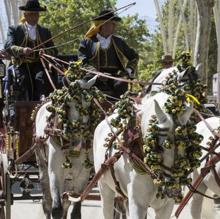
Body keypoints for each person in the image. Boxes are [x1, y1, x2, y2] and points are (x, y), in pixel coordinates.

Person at [78, 9, 139, 99]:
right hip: (93, 76)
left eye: (114, 24)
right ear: (103, 25)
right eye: (112, 24)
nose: (114, 26)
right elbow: (82, 61)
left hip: (114, 77)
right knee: (82, 86)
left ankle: (120, 109)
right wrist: (96, 73)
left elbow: (134, 57)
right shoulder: (87, 42)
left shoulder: (119, 41)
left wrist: (128, 70)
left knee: (122, 83)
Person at [4, 0, 58, 101]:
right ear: (25, 15)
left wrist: (45, 51)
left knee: (41, 78)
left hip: (38, 64)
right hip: (21, 64)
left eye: (36, 14)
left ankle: (43, 99)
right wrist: (22, 50)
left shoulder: (45, 31)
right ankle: (24, 101)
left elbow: (54, 50)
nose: (34, 17)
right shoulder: (14, 29)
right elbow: (8, 46)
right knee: (23, 80)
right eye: (32, 14)